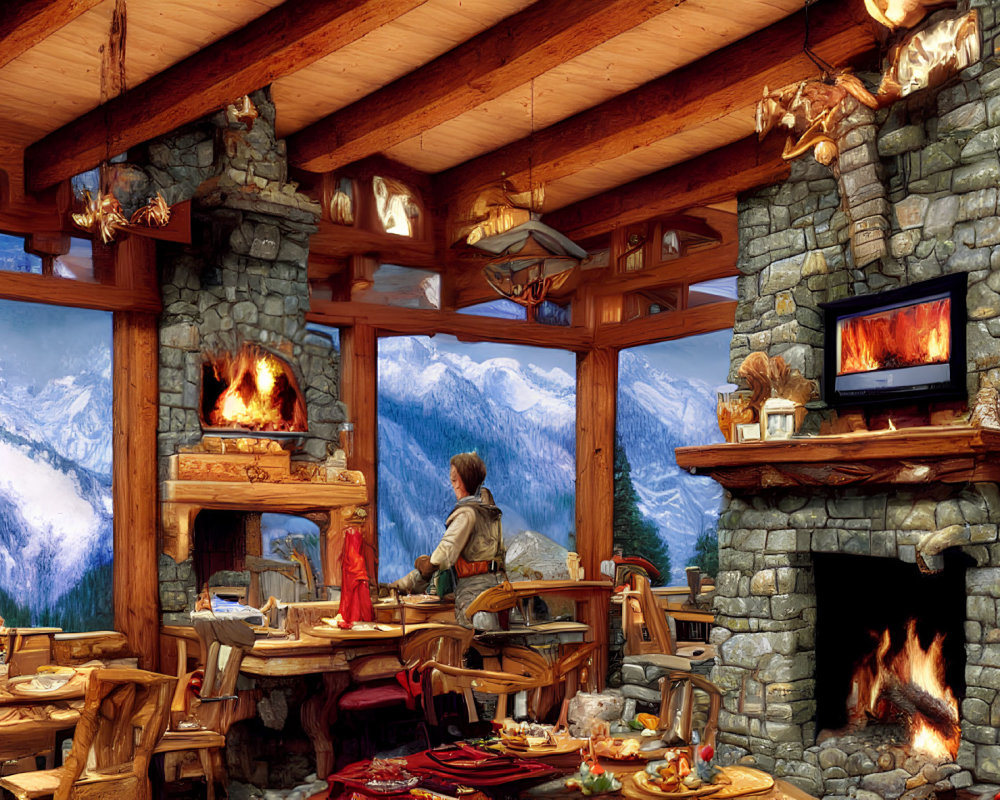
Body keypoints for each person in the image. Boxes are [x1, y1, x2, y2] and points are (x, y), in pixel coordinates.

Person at [392, 452, 504, 629]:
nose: (454, 486)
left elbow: (443, 556)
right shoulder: (489, 513)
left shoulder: (467, 514)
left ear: (461, 481)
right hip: (495, 586)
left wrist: (423, 566)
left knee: (472, 639)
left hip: (473, 590)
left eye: (454, 480)